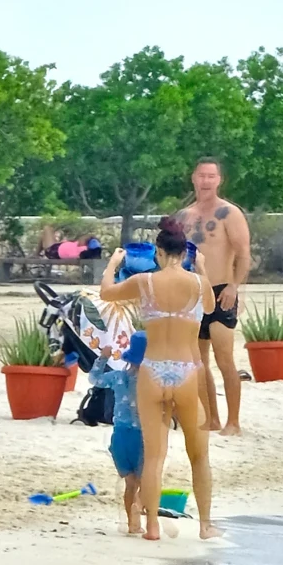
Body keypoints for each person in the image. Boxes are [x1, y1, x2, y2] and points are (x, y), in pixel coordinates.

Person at [100, 216, 217, 538]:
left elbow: (107, 292)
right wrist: (203, 269)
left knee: (154, 456)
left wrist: (113, 262)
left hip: (152, 369)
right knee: (199, 454)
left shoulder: (144, 282)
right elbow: (208, 308)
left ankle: (151, 525)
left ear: (158, 252)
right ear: (186, 253)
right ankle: (206, 525)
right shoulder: (197, 283)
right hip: (185, 371)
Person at [174, 156, 251, 433]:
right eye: (201, 175)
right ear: (193, 178)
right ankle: (210, 418)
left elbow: (244, 254)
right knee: (198, 361)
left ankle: (233, 421)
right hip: (192, 292)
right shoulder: (184, 216)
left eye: (211, 176)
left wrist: (234, 286)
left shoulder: (229, 213)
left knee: (224, 358)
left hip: (221, 291)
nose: (206, 181)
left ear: (219, 180)